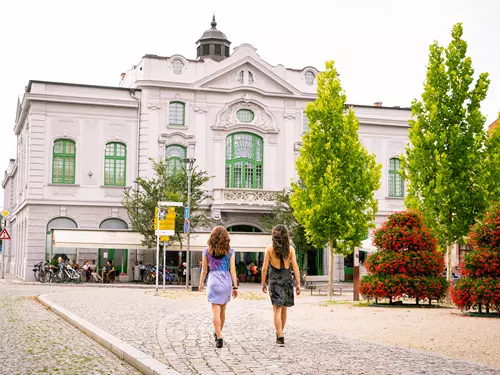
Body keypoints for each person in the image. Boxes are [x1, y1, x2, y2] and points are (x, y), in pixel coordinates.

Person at [261, 224, 300, 346]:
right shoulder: (291, 249)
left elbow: (264, 268)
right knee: (284, 309)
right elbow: (295, 266)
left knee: (276, 310)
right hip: (287, 279)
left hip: (274, 280)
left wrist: (263, 282)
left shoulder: (269, 249)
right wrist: (298, 283)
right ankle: (280, 333)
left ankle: (280, 335)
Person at [199, 226, 238, 348]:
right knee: (222, 311)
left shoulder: (206, 251)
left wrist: (200, 283)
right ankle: (218, 333)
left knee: (215, 311)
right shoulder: (230, 252)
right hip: (226, 281)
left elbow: (204, 270)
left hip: (213, 281)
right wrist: (235, 286)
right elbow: (232, 270)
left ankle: (219, 337)